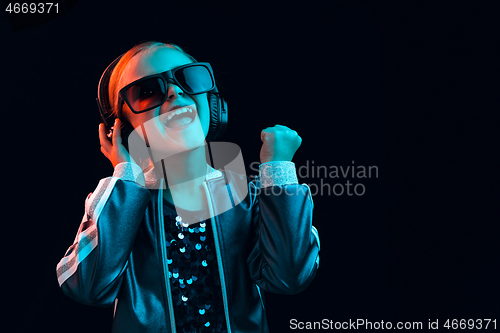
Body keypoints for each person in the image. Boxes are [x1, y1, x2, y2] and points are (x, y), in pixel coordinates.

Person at [56, 40, 320, 333]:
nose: (174, 91)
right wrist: (125, 175)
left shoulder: (249, 199)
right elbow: (88, 288)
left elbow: (290, 276)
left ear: (214, 103)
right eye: (147, 91)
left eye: (188, 78)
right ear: (123, 130)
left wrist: (278, 169)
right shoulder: (119, 207)